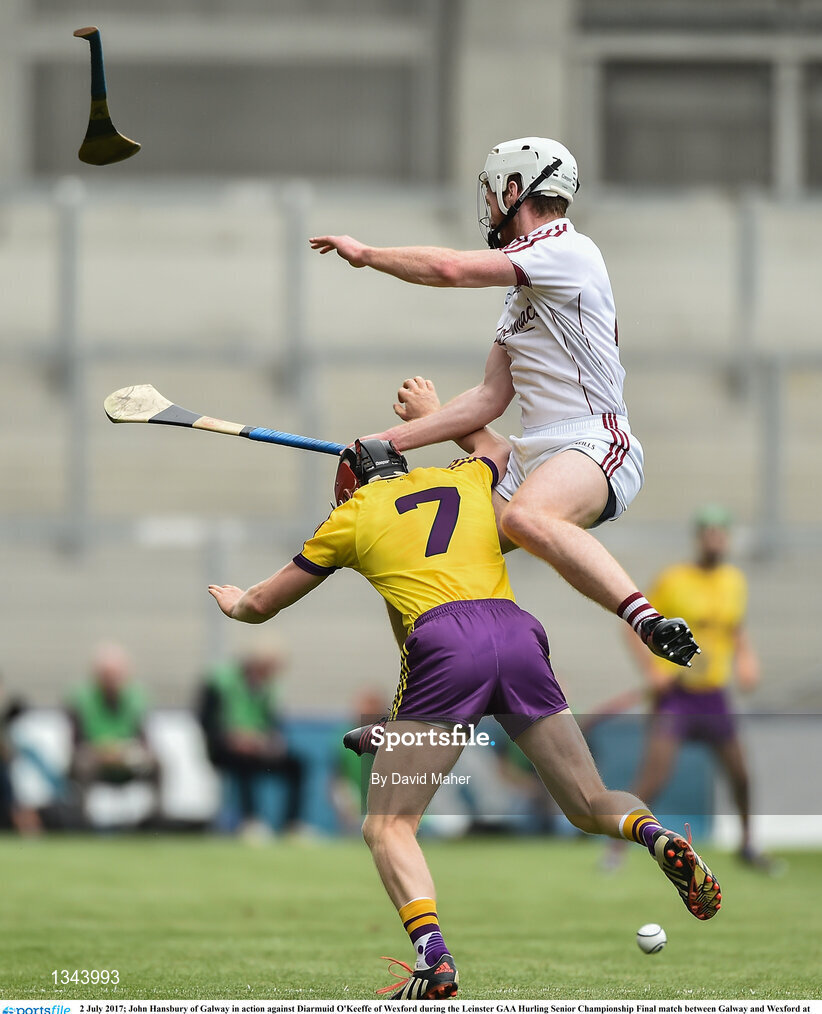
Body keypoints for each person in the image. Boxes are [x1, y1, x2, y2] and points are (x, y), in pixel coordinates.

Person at [208, 428, 721, 999]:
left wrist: (236, 604)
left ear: (348, 485)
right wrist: (441, 418)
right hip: (518, 634)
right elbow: (498, 446)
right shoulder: (464, 477)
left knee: (387, 824)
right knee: (589, 802)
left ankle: (435, 963)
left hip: (446, 641)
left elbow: (263, 604)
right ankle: (652, 834)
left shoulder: (349, 518)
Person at [309, 137, 698, 669]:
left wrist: (367, 255)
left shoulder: (567, 251)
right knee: (418, 546)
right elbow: (490, 398)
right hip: (531, 456)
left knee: (525, 519)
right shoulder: (520, 293)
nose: (489, 208)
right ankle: (423, 695)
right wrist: (385, 442)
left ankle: (647, 621)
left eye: (493, 194)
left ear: (515, 189)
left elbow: (448, 269)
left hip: (594, 442)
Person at [618, 504, 774, 870]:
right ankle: (617, 850)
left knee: (740, 775)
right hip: (675, 696)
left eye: (720, 533)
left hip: (714, 695)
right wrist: (651, 672)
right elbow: (632, 625)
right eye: (708, 533)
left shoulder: (734, 581)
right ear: (699, 538)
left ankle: (749, 845)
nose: (714, 540)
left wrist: (747, 659)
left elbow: (734, 627)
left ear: (727, 539)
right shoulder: (674, 580)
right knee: (654, 777)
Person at [198, 643, 306, 836]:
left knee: (297, 764)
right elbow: (206, 721)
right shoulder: (220, 680)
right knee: (243, 761)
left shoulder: (269, 688)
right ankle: (250, 821)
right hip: (222, 748)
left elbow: (273, 725)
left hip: (257, 746)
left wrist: (271, 741)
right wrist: (232, 739)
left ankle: (291, 824)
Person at [67, 642, 160, 824]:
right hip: (94, 756)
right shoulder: (81, 698)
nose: (112, 680)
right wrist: (102, 752)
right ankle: (82, 821)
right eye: (107, 675)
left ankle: (154, 820)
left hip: (126, 757)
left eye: (116, 675)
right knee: (82, 764)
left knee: (156, 764)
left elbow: (143, 741)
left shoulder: (137, 697)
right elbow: (76, 742)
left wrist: (124, 752)